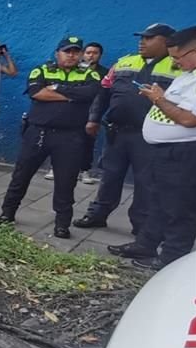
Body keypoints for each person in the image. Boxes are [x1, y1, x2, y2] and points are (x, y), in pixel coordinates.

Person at [73, 24, 180, 234]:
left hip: (149, 137)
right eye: (141, 37)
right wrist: (94, 119)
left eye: (149, 38)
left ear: (166, 41)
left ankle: (141, 224)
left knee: (146, 181)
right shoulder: (124, 61)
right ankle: (98, 214)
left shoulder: (177, 67)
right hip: (118, 132)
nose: (142, 42)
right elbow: (104, 92)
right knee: (110, 176)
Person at [107, 27, 196, 270]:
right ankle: (146, 244)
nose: (176, 63)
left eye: (179, 57)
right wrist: (159, 96)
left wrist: (159, 99)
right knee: (156, 200)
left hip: (185, 153)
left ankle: (171, 257)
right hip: (164, 150)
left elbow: (190, 119)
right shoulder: (189, 75)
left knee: (179, 206)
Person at [0, 37, 102, 238]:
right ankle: (7, 214)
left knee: (66, 182)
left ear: (80, 54)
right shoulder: (42, 70)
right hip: (38, 133)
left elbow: (89, 94)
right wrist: (72, 96)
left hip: (70, 137)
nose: (71, 55)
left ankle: (62, 224)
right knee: (21, 175)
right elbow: (37, 93)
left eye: (75, 52)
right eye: (66, 51)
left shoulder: (89, 73)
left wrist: (57, 89)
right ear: (57, 53)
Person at [76, 42, 109, 184]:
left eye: (95, 53)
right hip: (73, 111)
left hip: (93, 113)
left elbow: (105, 94)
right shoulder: (76, 69)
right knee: (64, 140)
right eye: (88, 52)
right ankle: (55, 167)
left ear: (100, 55)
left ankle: (84, 170)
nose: (91, 55)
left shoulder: (105, 73)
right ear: (83, 54)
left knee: (88, 142)